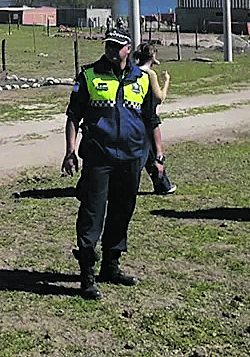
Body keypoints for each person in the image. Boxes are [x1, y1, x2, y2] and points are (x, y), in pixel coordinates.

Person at [62, 28, 159, 300]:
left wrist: (158, 157)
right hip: (98, 157)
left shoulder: (142, 79)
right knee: (92, 214)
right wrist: (70, 151)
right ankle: (87, 273)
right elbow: (73, 116)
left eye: (118, 46)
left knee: (122, 211)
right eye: (108, 45)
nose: (112, 50)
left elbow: (151, 120)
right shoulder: (89, 75)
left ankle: (111, 265)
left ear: (129, 48)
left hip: (131, 157)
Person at [133, 42, 177, 195]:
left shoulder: (132, 71)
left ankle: (162, 184)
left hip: (134, 115)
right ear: (153, 55)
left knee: (144, 152)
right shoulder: (150, 74)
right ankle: (162, 184)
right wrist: (166, 82)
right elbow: (159, 97)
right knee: (155, 152)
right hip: (148, 117)